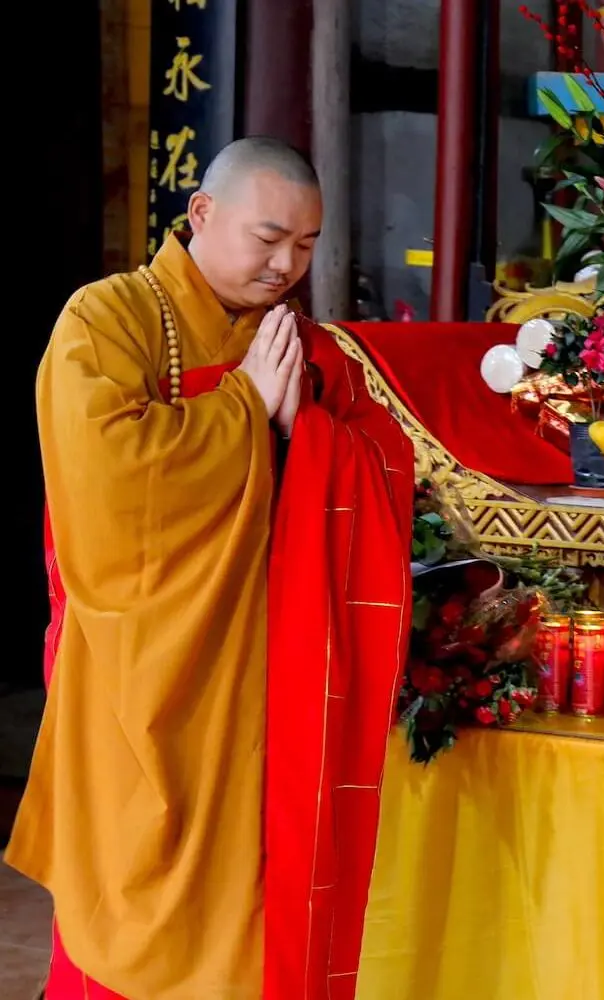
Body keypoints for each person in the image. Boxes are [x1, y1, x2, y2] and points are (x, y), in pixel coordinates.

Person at [7, 137, 414, 1000]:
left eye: (306, 246)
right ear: (201, 213)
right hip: (138, 674)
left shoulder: (297, 342)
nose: (286, 265)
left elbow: (379, 456)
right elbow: (107, 476)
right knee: (124, 894)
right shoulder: (107, 318)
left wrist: (310, 434)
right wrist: (245, 407)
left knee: (252, 900)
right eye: (268, 238)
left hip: (261, 677)